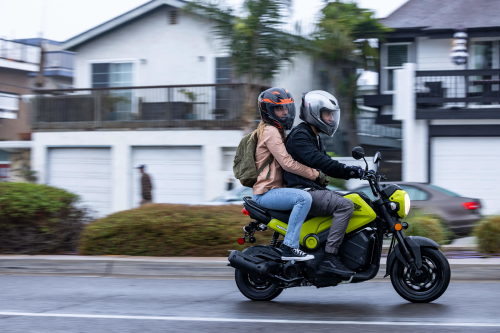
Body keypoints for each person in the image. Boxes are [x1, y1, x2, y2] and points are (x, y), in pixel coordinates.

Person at [283, 90, 364, 276]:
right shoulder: (300, 136)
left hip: (312, 190)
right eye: (327, 114)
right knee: (345, 206)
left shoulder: (313, 136)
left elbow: (327, 164)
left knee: (358, 199)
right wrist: (350, 170)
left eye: (332, 115)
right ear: (314, 112)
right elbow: (320, 161)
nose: (331, 119)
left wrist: (354, 172)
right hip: (302, 191)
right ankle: (330, 257)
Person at [253, 87, 325, 261]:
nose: (285, 112)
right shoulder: (270, 131)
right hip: (267, 192)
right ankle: (290, 246)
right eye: (279, 108)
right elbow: (288, 163)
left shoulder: (279, 131)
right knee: (303, 198)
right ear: (268, 111)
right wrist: (314, 174)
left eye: (286, 108)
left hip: (277, 190)